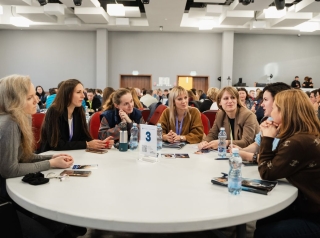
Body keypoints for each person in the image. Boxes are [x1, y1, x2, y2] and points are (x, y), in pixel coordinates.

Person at [0, 74, 85, 238]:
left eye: (35, 96)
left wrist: (51, 158)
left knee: (57, 223)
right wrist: (51, 164)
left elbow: (24, 157)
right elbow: (9, 170)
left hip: (9, 191)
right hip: (5, 198)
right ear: (14, 100)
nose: (36, 101)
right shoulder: (10, 123)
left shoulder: (19, 118)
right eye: (30, 97)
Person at [254, 89, 320, 238]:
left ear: (286, 112)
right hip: (308, 205)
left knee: (264, 232)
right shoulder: (304, 134)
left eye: (276, 107)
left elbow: (267, 172)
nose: (271, 111)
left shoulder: (297, 142)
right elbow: (275, 162)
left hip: (314, 216)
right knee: (266, 217)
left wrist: (267, 138)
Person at [40, 79, 113, 152]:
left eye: (83, 92)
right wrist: (87, 145)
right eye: (78, 92)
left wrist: (100, 144)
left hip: (72, 155)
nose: (83, 96)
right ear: (68, 95)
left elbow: (84, 137)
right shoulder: (54, 111)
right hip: (51, 156)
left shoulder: (79, 110)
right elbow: (56, 144)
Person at [232, 82, 291, 161]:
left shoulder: (293, 127)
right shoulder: (270, 120)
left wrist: (248, 156)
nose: (262, 104)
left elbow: (278, 160)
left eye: (265, 100)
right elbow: (258, 144)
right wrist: (241, 151)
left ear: (280, 101)